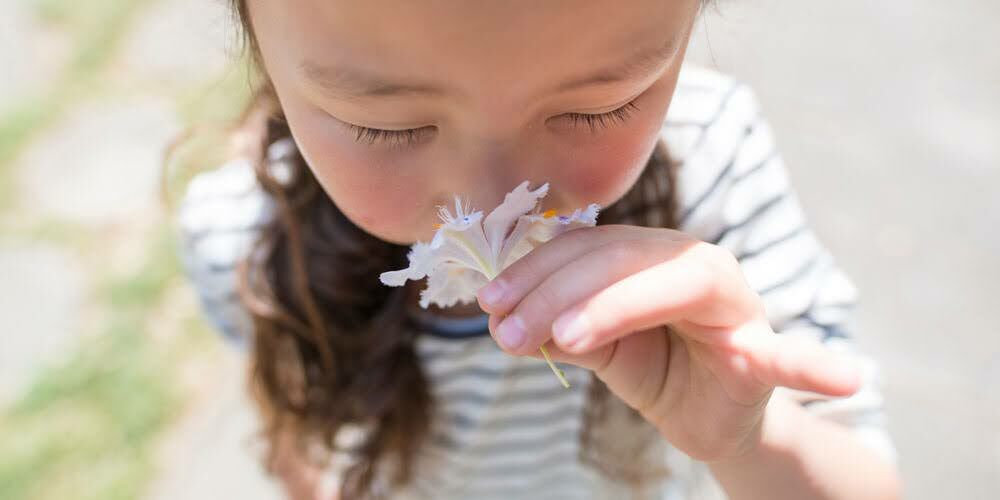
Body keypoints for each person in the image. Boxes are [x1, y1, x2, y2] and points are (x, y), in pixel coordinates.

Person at [172, 0, 901, 498]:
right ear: (260, 51)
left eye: (597, 108)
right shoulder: (240, 241)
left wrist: (745, 436)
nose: (495, 203)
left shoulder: (713, 168)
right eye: (385, 126)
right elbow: (297, 423)